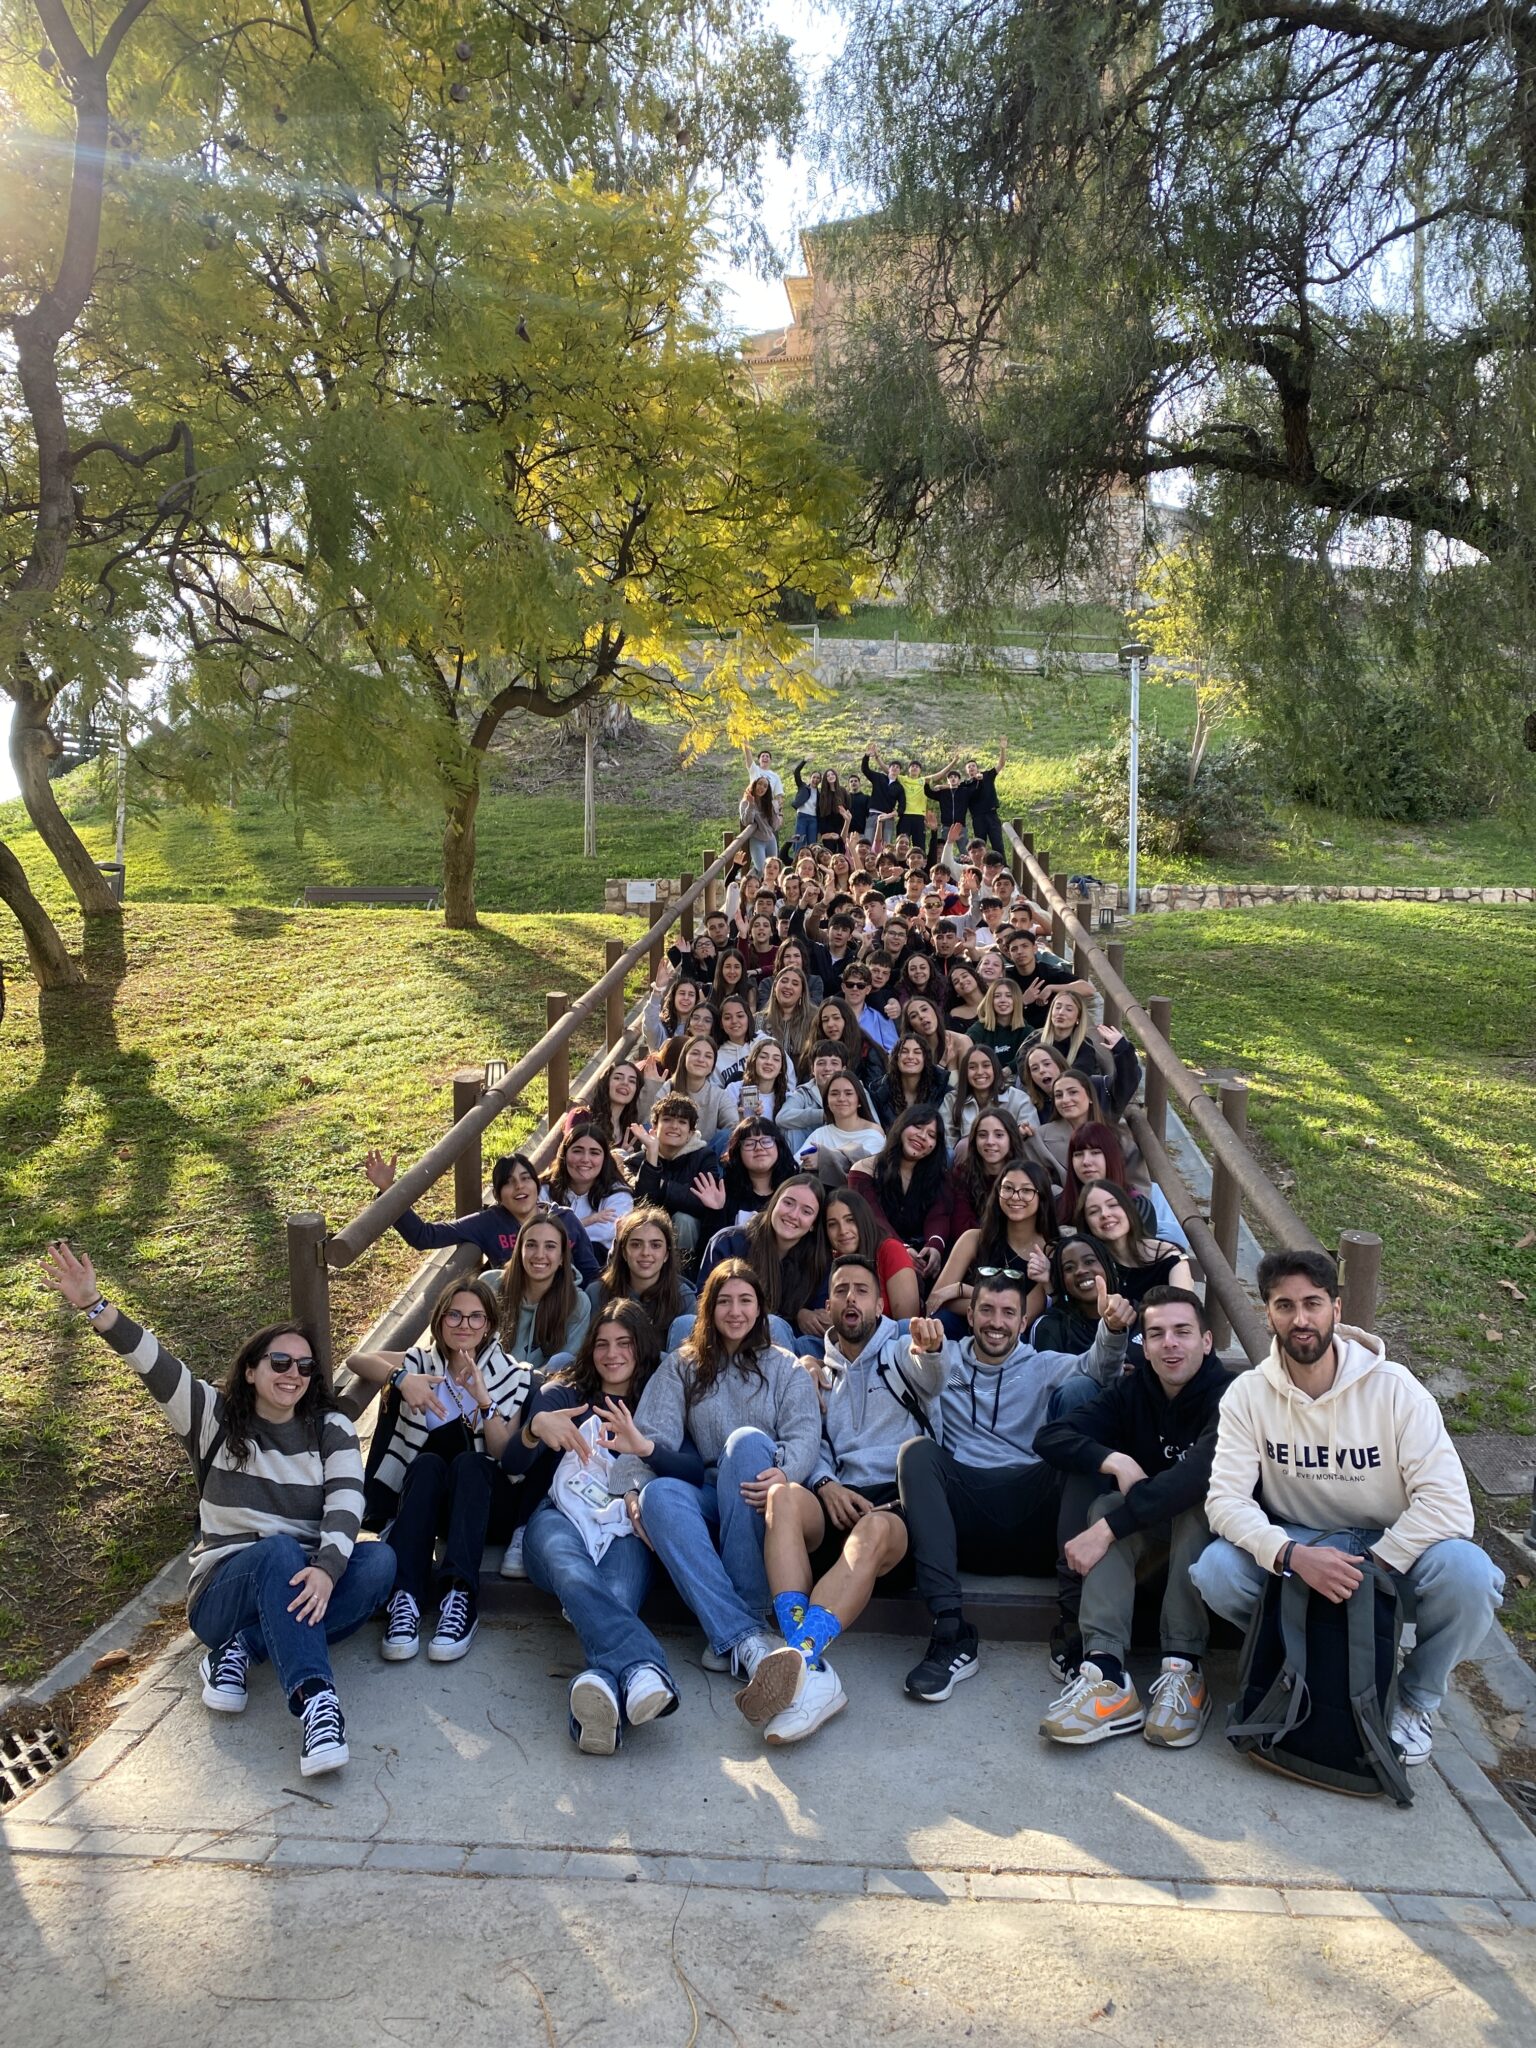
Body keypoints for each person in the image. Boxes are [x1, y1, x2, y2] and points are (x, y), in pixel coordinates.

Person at [41, 1241, 390, 1780]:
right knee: (275, 1549)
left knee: (380, 1563)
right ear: (251, 1370)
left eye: (303, 1365)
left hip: (302, 1585)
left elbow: (348, 1504)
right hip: (223, 1592)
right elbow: (154, 1362)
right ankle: (317, 1702)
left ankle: (243, 1649)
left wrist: (325, 1570)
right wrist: (95, 1306)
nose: (292, 1373)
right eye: (279, 1362)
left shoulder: (331, 1429)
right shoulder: (214, 1417)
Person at [1189, 1248, 1505, 1766]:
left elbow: (1450, 1507)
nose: (1301, 1318)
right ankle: (1315, 1664)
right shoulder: (1247, 1395)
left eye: (1313, 1303)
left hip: (1388, 1546)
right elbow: (1223, 1501)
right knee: (1215, 1571)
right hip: (1303, 1541)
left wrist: (1373, 1571)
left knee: (1471, 1576)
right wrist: (1291, 1555)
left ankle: (1413, 1700)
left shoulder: (1396, 1390)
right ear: (1268, 1313)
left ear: (1336, 1310)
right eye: (1284, 1305)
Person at [897, 1271, 1136, 1701]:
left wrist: (1113, 1329)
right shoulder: (944, 1357)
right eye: (986, 1310)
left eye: (1009, 1313)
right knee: (916, 1453)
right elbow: (923, 1372)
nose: (996, 1321)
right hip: (966, 1509)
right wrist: (928, 1352)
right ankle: (950, 1630)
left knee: (1078, 1453)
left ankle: (1073, 1626)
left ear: (1023, 1322)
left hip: (1032, 1513)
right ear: (969, 1316)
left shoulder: (1042, 1364)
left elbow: (1097, 1368)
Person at [613, 1261, 823, 1713]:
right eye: (724, 1301)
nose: (735, 1311)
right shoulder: (683, 1365)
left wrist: (785, 1472)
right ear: (708, 1308)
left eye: (745, 1300)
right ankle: (746, 1636)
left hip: (759, 1487)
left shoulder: (784, 1366)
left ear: (760, 1308)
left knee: (746, 1443)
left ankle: (743, 1616)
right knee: (658, 1496)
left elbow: (806, 1434)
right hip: (706, 1493)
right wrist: (632, 1489)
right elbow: (651, 1433)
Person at [754, 1266, 950, 1742]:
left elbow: (934, 1374)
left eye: (862, 1290)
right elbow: (809, 1438)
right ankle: (810, 1664)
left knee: (875, 1532)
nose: (850, 1298)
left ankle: (797, 1657)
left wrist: (931, 1348)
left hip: (896, 1509)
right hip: (836, 1497)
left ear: (881, 1305)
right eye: (840, 1290)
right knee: (782, 1496)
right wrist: (822, 1483)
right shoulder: (815, 1368)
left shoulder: (903, 1352)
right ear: (829, 1306)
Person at [1035, 1287, 1227, 1746]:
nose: (1169, 1344)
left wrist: (1107, 1529)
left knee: (1195, 1507)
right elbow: (1051, 1437)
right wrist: (1114, 1460)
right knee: (1106, 1502)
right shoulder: (1134, 1389)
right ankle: (1106, 1675)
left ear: (1207, 1340)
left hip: (1216, 1543)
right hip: (1152, 1542)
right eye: (1156, 1334)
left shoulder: (1232, 1395)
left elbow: (1197, 1478)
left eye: (1182, 1332)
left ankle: (1184, 1669)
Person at [516, 1302, 696, 1753]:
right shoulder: (566, 1392)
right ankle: (644, 1669)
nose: (611, 1354)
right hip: (558, 1518)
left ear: (641, 1347)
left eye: (624, 1343)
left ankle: (598, 1697)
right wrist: (535, 1426)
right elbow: (513, 1463)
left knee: (615, 1596)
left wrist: (646, 1448)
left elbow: (694, 1470)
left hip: (627, 1527)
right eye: (601, 1343)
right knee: (571, 1570)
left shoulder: (662, 1398)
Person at [349, 1276, 536, 1664]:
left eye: (475, 1317)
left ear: (489, 1325)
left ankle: (460, 1596)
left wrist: (484, 1399)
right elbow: (357, 1360)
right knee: (428, 1463)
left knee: (471, 1461)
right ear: (440, 1320)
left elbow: (504, 1453)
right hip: (433, 1506)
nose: (464, 1325)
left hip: (486, 1505)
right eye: (454, 1315)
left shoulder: (512, 1373)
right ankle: (405, 1598)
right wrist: (401, 1380)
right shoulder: (421, 1362)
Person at [360, 1148, 602, 1284]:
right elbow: (425, 1236)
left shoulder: (566, 1220)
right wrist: (388, 1190)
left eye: (526, 1178)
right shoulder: (489, 1222)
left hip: (569, 1311)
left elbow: (591, 1274)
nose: (519, 1187)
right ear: (498, 1195)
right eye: (509, 1183)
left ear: (537, 1186)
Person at [698, 1173, 831, 1346]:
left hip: (786, 1352)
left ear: (813, 1223)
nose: (793, 1214)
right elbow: (705, 1305)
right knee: (684, 1323)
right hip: (724, 1337)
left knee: (781, 1330)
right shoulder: (728, 1242)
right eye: (788, 1203)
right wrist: (796, 1316)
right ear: (774, 1203)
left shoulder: (819, 1262)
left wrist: (801, 1315)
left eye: (806, 1211)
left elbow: (818, 1328)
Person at [926, 1160, 1058, 1333]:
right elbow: (935, 1301)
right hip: (965, 1333)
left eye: (1026, 1190)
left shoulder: (1051, 1252)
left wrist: (962, 1290)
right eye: (1008, 1188)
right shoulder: (974, 1239)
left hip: (1013, 1343)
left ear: (1042, 1196)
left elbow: (1022, 1315)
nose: (1015, 1196)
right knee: (939, 1321)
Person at [847, 1105, 950, 1262]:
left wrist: (935, 1245)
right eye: (917, 1126)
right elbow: (873, 1218)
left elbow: (939, 1215)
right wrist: (902, 1250)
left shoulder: (938, 1177)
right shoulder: (864, 1170)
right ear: (901, 1125)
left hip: (921, 1255)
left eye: (931, 1135)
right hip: (876, 1253)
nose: (922, 1136)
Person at [588, 1205, 696, 1342]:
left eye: (655, 1245)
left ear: (666, 1255)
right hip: (610, 1361)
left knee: (686, 1322)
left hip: (666, 1363)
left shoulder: (684, 1298)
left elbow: (687, 1358)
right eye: (636, 1245)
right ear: (623, 1252)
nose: (645, 1252)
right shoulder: (597, 1292)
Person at [1077, 1181, 1194, 1306]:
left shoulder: (1168, 1256)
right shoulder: (1091, 1266)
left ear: (1128, 1209)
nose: (1105, 1214)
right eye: (1093, 1211)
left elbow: (1183, 1311)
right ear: (1086, 1223)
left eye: (1113, 1205)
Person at [823, 1187, 922, 1321]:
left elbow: (907, 1324)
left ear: (863, 1219)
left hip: (892, 1339)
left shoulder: (890, 1250)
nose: (843, 1231)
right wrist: (804, 1315)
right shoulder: (833, 1260)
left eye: (850, 1220)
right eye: (832, 1224)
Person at [543, 1124, 635, 1254]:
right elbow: (533, 1231)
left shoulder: (618, 1194)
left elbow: (607, 1232)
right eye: (577, 1151)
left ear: (605, 1159)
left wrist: (554, 1234)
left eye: (594, 1153)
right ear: (564, 1155)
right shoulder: (544, 1190)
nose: (585, 1159)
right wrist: (589, 1221)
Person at [796, 1070, 886, 1175]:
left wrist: (822, 1159)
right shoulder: (820, 1134)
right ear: (827, 1102)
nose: (841, 1098)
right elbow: (797, 1162)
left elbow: (861, 1167)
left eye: (848, 1093)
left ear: (859, 1101)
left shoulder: (873, 1134)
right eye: (834, 1094)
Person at [945, 1042, 1033, 1146]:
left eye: (986, 1065)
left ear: (995, 1069)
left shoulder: (1019, 1099)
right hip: (968, 1158)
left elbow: (1033, 1138)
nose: (980, 1072)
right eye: (972, 1067)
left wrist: (1020, 1134)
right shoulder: (952, 1099)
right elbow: (947, 1142)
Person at [960, 743, 1007, 851]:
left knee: (998, 844)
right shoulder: (965, 784)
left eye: (973, 766)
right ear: (966, 771)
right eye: (969, 767)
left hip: (991, 814)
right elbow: (953, 786)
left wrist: (1003, 749)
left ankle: (1002, 866)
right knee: (980, 846)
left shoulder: (987, 775)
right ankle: (981, 867)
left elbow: (1001, 764)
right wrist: (942, 786)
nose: (971, 768)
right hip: (977, 818)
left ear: (977, 768)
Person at [739, 775, 781, 874]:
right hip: (757, 840)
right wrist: (751, 805)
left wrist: (775, 810)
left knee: (774, 870)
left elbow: (775, 826)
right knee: (762, 870)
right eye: (760, 784)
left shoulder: (767, 803)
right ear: (754, 785)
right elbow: (746, 821)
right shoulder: (745, 802)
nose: (761, 787)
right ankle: (749, 883)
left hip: (770, 839)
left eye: (765, 786)